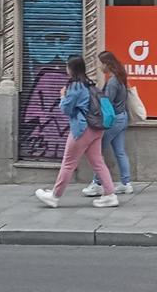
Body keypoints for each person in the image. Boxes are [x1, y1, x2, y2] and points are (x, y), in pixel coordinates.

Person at [34, 56, 119, 208]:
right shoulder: (89, 84)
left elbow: (66, 109)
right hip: (96, 129)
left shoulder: (75, 87)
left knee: (68, 163)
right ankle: (110, 195)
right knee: (98, 162)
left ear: (71, 69)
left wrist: (62, 97)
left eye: (67, 66)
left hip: (82, 129)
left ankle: (54, 196)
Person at [83, 50, 133, 196]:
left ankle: (97, 183)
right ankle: (126, 183)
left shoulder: (112, 82)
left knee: (97, 151)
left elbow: (107, 104)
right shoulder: (119, 77)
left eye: (100, 63)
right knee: (120, 152)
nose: (99, 66)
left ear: (107, 64)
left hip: (114, 120)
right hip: (122, 117)